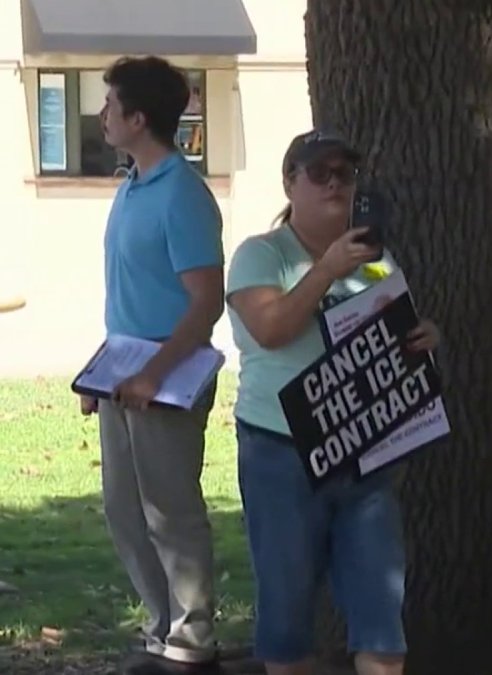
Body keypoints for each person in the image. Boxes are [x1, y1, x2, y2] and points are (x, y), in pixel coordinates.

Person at [225, 129, 440, 675]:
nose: (336, 184)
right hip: (281, 449)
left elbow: (393, 334)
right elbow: (271, 328)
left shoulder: (376, 261)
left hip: (364, 450)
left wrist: (421, 338)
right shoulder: (261, 255)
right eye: (320, 173)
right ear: (290, 183)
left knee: (381, 615)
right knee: (287, 607)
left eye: (346, 174)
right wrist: (325, 271)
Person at [80, 55, 226, 675]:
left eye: (111, 105)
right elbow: (128, 298)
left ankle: (193, 638)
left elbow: (206, 301)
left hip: (170, 377)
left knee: (170, 510)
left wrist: (154, 373)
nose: (102, 114)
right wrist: (102, 377)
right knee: (124, 509)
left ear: (140, 118)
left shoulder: (183, 195)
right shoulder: (131, 186)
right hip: (123, 373)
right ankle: (162, 627)